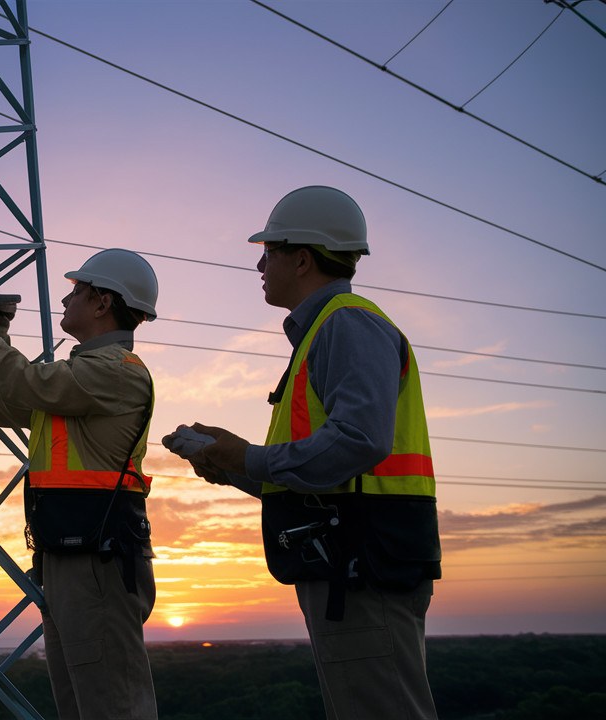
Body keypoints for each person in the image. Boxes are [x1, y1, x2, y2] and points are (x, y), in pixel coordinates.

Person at [167, 186, 441, 719]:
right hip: (351, 559)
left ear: (302, 257)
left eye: (267, 251)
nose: (258, 263)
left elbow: (360, 441)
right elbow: (322, 467)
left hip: (363, 564)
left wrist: (247, 458)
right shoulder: (325, 328)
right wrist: (230, 465)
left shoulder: (347, 322)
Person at [0, 249, 161, 720]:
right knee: (81, 700)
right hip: (71, 556)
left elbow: (24, 382)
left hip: (98, 560)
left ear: (103, 302)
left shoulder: (114, 371)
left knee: (113, 704)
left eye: (77, 291)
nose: (65, 300)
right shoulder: (77, 379)